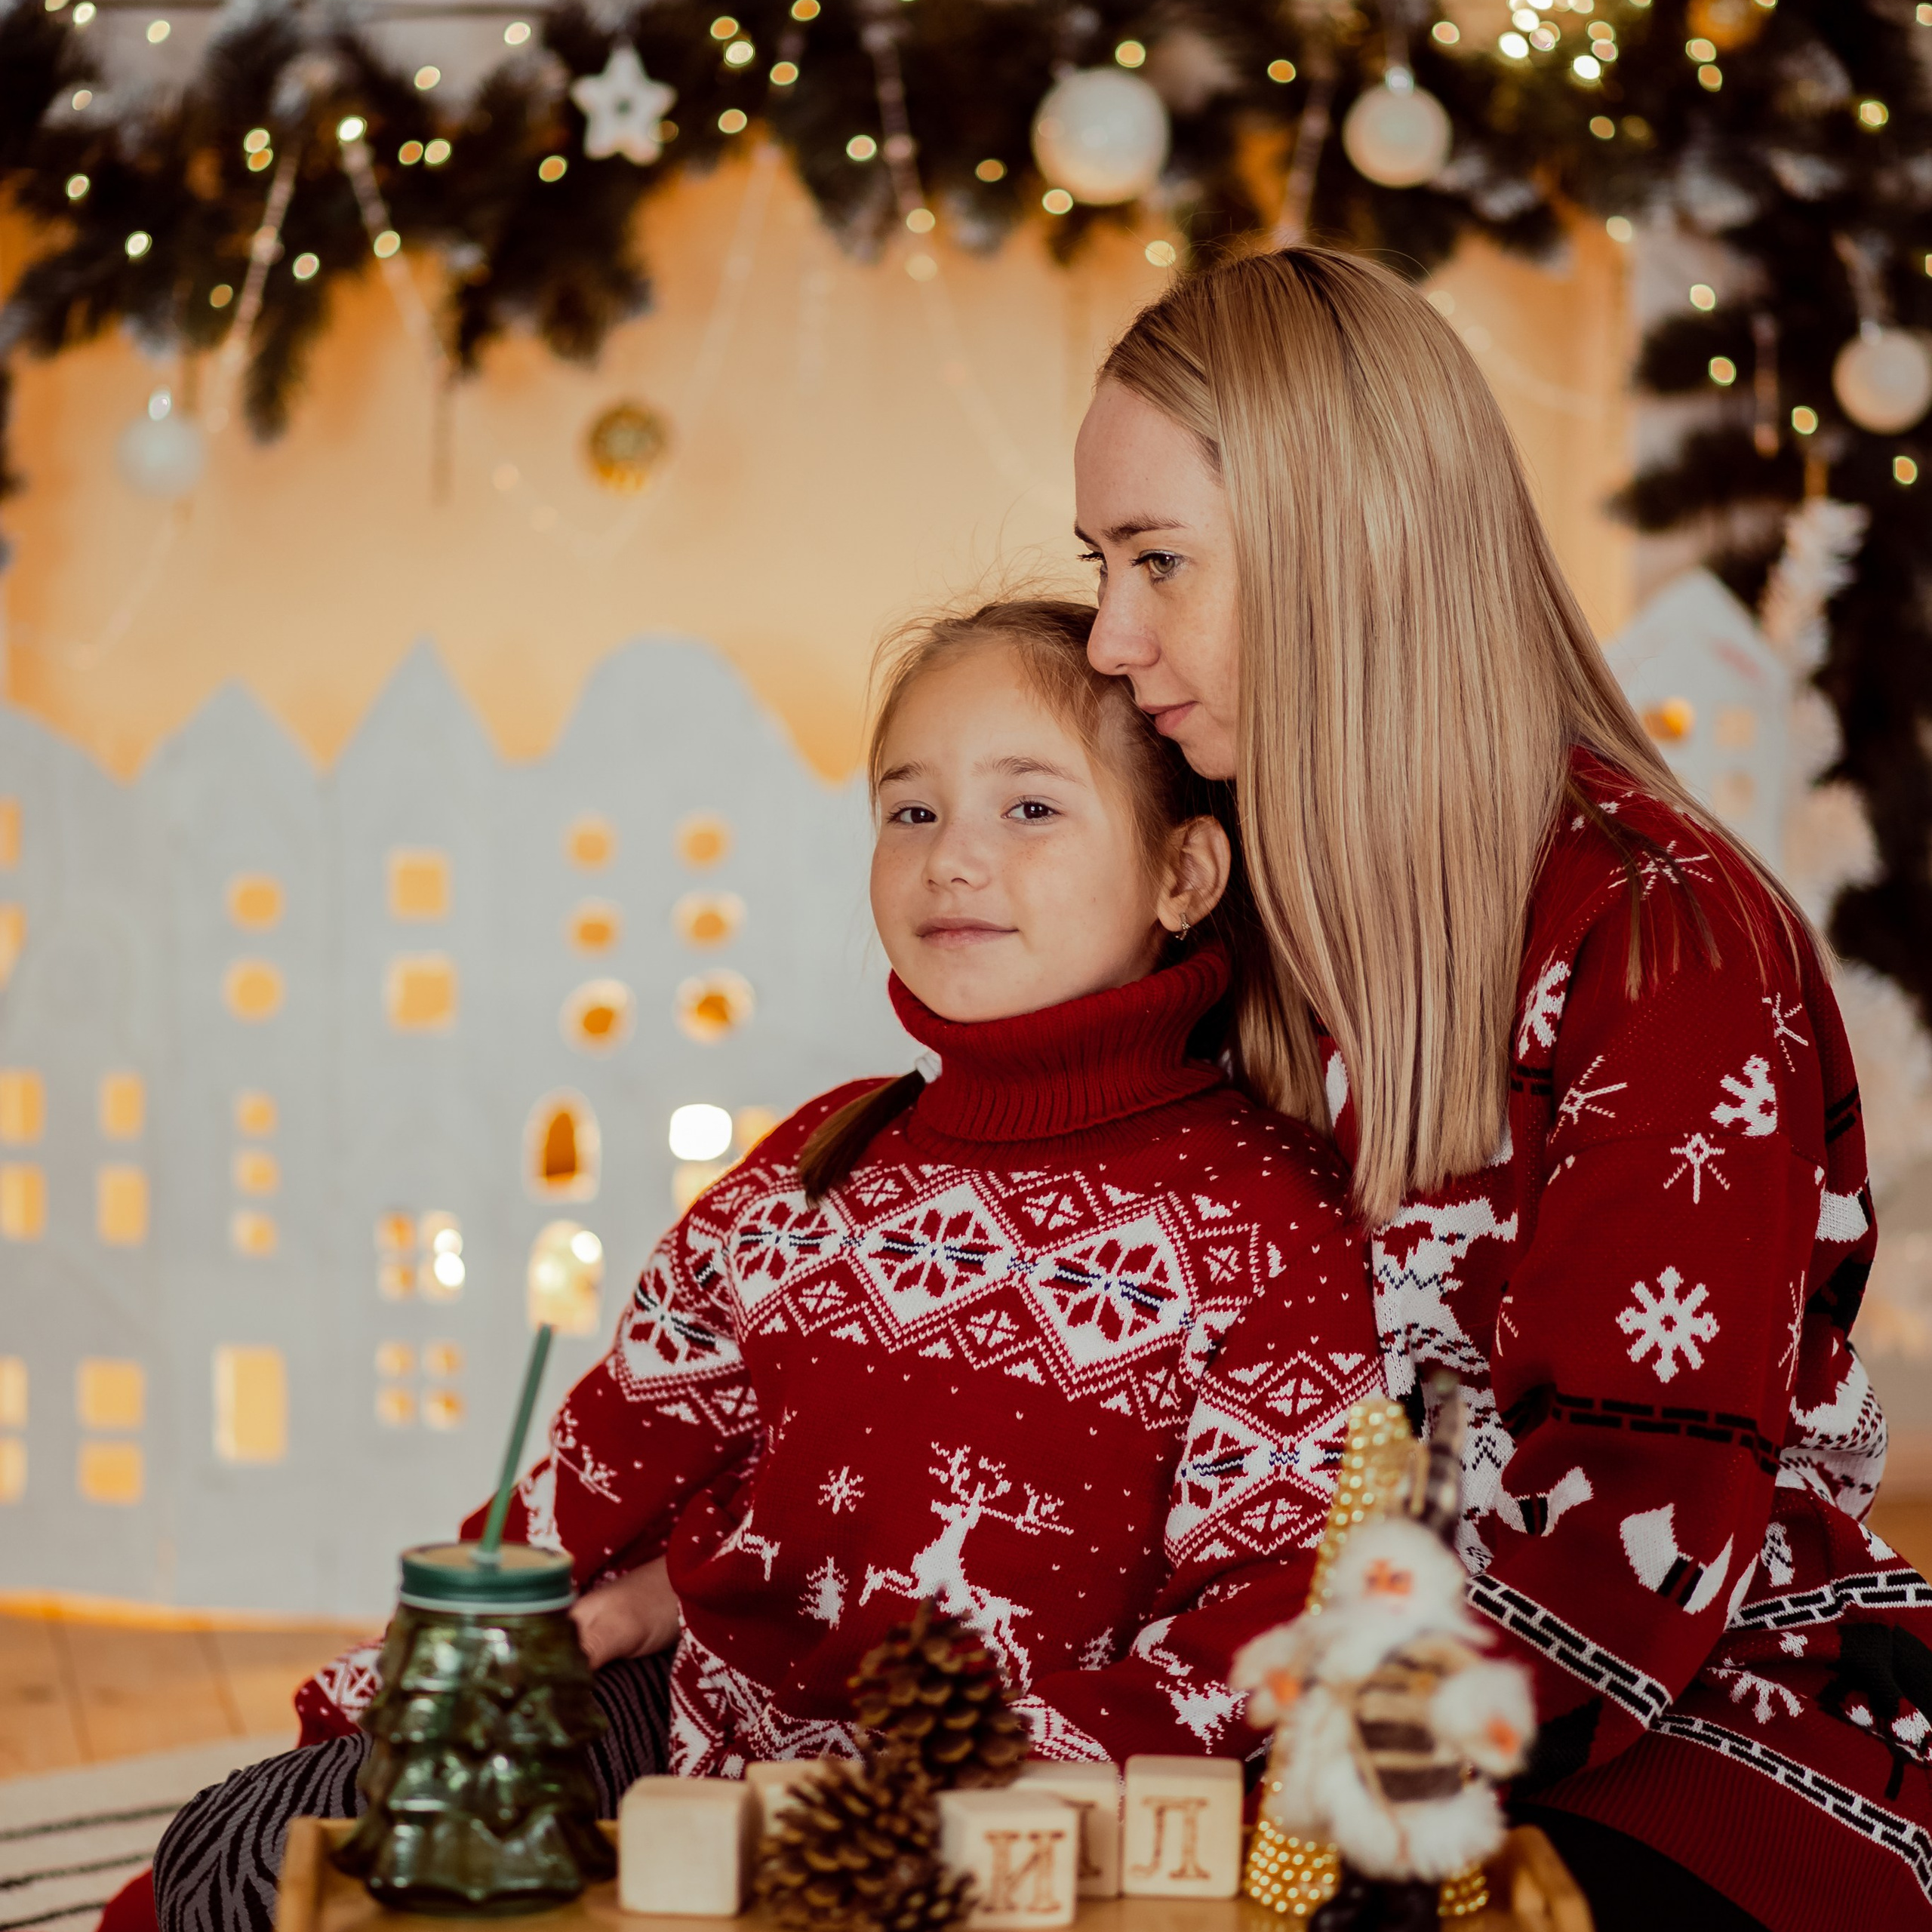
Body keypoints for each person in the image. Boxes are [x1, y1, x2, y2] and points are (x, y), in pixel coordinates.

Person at [153, 597, 1383, 1932]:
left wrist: (1008, 1806)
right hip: (703, 1734)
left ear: (1185, 876)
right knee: (246, 1852)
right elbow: (623, 1441)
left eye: (1029, 810)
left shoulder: (1268, 1220)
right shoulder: (818, 1159)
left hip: (1007, 1824)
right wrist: (513, 1644)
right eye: (910, 812)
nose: (953, 861)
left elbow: (1275, 1611)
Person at [1072, 243, 1932, 1931]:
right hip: (1311, 1693)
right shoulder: (1249, 898)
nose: (1111, 636)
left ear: (1351, 554)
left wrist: (1318, 1773)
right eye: (1097, 563)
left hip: (1703, 1734)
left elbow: (1632, 1505)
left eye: (1158, 560)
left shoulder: (1656, 937)